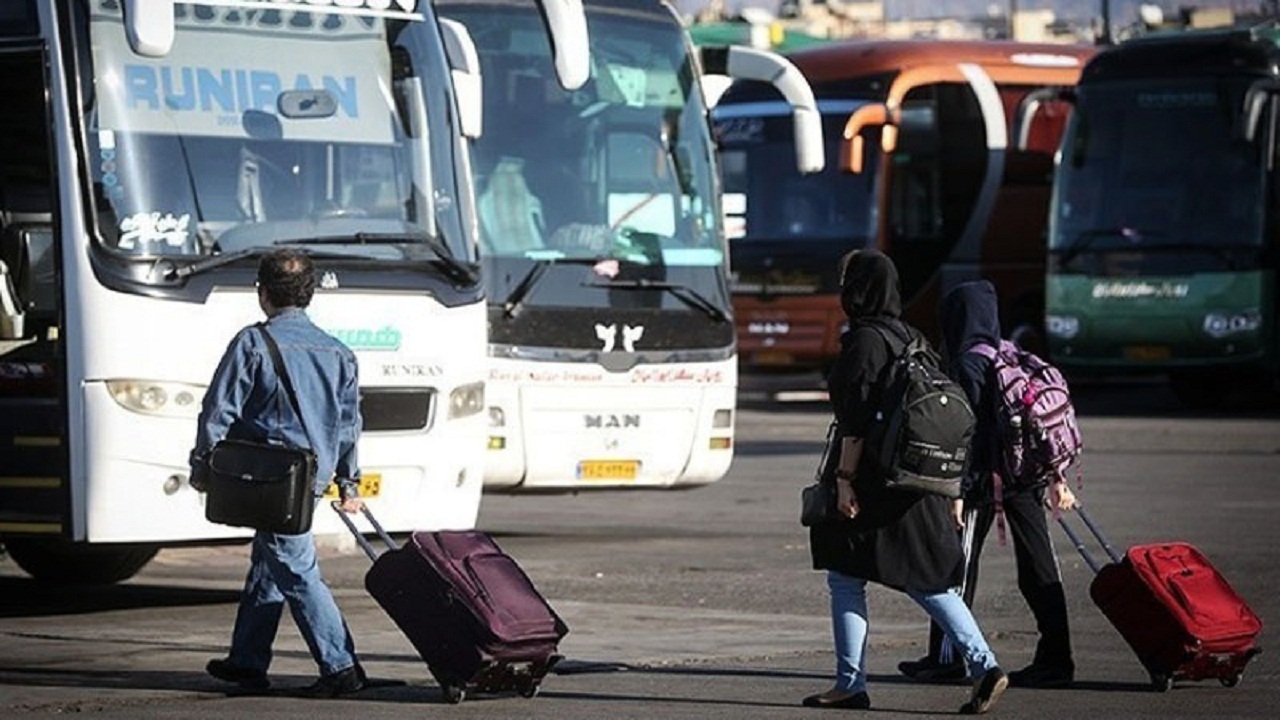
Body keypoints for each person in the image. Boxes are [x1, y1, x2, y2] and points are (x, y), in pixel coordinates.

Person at [805, 250, 1007, 714]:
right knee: (926, 579)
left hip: (874, 480)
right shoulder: (913, 337)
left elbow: (853, 422)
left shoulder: (864, 342)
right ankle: (984, 665)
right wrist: (951, 490)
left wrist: (843, 481)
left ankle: (850, 683)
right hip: (919, 479)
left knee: (845, 577)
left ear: (856, 290)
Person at [189, 248, 367, 698]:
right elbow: (348, 426)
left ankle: (341, 666)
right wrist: (348, 483)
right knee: (268, 564)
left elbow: (219, 410)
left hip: (268, 479)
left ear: (262, 293)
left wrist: (202, 465)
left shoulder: (252, 343)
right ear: (308, 294)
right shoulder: (339, 352)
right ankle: (247, 662)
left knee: (296, 569)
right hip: (308, 479)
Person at [898, 279, 1077, 688]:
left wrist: (956, 493)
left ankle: (946, 659)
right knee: (1039, 569)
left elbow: (966, 434)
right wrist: (1057, 477)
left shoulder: (967, 362)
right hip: (1024, 477)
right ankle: (1057, 658)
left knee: (955, 569)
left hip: (981, 484)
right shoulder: (1008, 353)